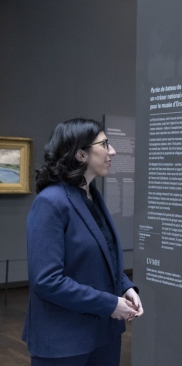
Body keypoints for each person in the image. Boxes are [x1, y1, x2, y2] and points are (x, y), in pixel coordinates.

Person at [22, 118, 143, 366]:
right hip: (64, 340)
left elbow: (104, 253)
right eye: (104, 144)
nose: (112, 151)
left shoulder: (91, 195)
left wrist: (125, 287)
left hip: (103, 335)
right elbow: (46, 280)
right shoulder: (51, 202)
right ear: (80, 154)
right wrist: (110, 304)